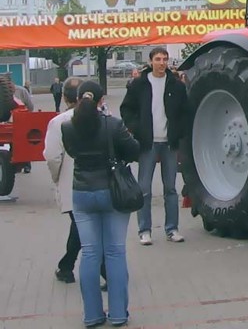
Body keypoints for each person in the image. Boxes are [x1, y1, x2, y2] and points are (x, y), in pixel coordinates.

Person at [62, 80, 139, 328]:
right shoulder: (113, 124)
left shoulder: (67, 127)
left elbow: (72, 153)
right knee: (115, 252)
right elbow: (134, 151)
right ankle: (118, 314)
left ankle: (92, 315)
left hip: (82, 193)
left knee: (91, 253)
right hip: (112, 193)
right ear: (100, 100)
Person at [120, 46, 192, 246]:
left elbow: (185, 112)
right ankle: (144, 230)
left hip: (169, 143)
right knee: (144, 189)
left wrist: (179, 132)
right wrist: (136, 128)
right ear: (151, 61)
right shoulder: (139, 84)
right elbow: (126, 109)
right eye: (158, 59)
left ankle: (172, 229)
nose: (162, 63)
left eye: (165, 59)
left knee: (170, 188)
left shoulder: (176, 86)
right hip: (148, 143)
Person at [44, 77, 106, 287]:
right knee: (82, 228)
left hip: (72, 185)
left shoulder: (59, 122)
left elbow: (52, 156)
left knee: (83, 229)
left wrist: (56, 178)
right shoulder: (106, 118)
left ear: (64, 97)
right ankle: (67, 266)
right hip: (102, 183)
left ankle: (102, 270)